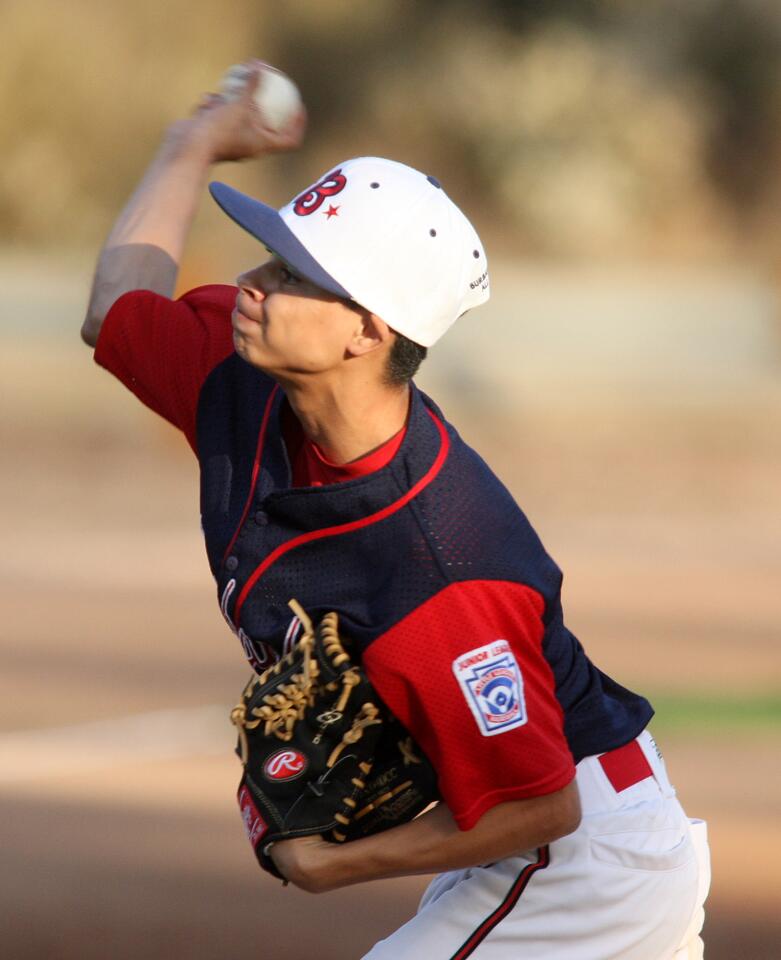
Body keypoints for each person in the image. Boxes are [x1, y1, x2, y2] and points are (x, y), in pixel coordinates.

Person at [82, 62, 710, 959]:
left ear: (367, 331)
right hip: (521, 840)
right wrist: (189, 147)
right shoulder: (248, 385)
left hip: (578, 859)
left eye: (293, 273)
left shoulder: (438, 563)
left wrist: (330, 865)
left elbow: (541, 801)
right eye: (271, 253)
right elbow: (116, 315)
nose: (254, 281)